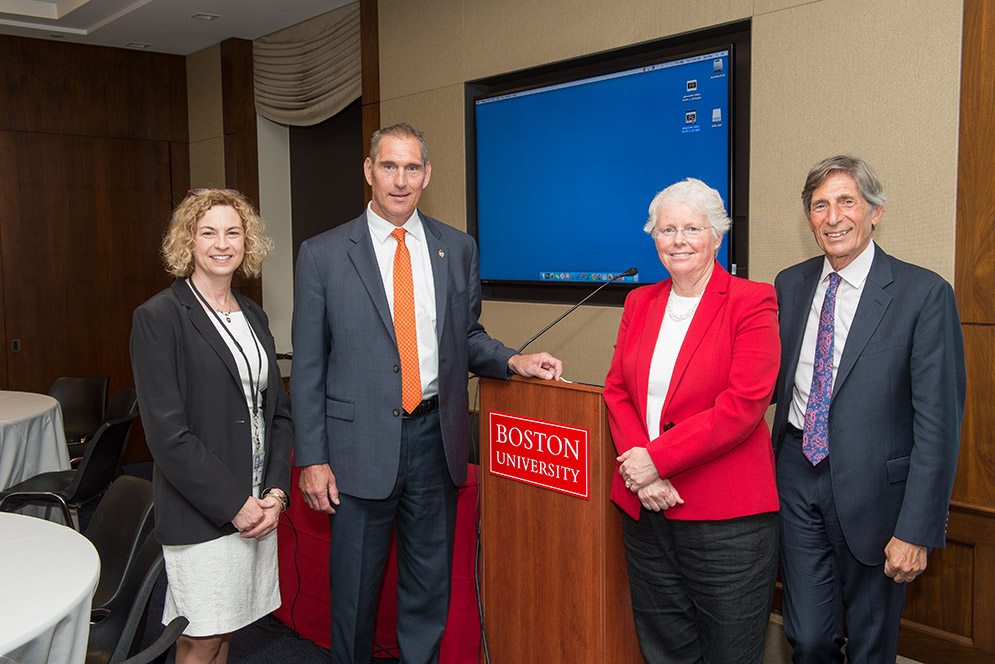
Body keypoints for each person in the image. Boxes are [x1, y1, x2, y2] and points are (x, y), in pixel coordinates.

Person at [291, 122, 562, 664]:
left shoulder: (456, 248)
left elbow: (465, 337)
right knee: (355, 599)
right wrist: (314, 459)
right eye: (388, 166)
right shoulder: (322, 254)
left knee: (426, 593)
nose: (400, 179)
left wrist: (513, 359)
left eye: (411, 167)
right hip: (358, 450)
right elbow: (310, 366)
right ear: (368, 171)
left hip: (435, 441)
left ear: (427, 175)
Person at [771, 155, 967, 663]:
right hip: (796, 474)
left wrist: (916, 530)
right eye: (819, 205)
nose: (832, 216)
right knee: (808, 637)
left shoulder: (923, 294)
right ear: (808, 218)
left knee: (871, 646)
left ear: (874, 211)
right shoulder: (789, 286)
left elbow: (939, 426)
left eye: (845, 201)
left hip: (878, 495)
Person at [604, 178, 781, 663]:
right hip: (647, 511)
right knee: (664, 647)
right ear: (653, 239)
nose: (678, 240)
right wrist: (644, 474)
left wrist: (654, 461)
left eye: (690, 228)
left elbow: (742, 406)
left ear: (716, 235)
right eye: (666, 230)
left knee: (728, 651)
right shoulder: (640, 302)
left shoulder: (752, 301)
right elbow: (616, 391)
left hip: (726, 520)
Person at [130, 189, 293, 664]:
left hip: (258, 506)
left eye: (233, 232)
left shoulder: (255, 316)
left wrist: (275, 494)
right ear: (188, 242)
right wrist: (234, 505)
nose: (222, 243)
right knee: (200, 638)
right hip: (204, 510)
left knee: (225, 633)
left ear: (248, 242)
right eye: (208, 232)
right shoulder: (159, 317)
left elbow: (277, 413)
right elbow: (167, 435)